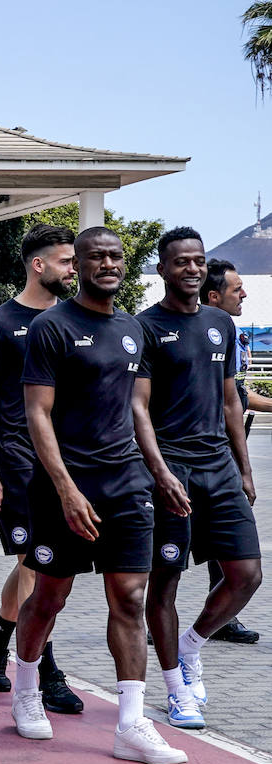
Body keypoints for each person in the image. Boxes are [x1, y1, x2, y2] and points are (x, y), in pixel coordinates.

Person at [12, 225, 185, 764]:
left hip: (126, 483)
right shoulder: (51, 327)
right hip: (65, 484)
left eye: (116, 257)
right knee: (49, 596)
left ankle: (131, 725)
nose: (107, 264)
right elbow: (36, 412)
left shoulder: (135, 330)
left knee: (131, 597)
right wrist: (65, 488)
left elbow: (137, 409)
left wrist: (159, 473)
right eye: (96, 257)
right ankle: (25, 688)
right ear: (77, 266)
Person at [135, 228, 262, 729]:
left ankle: (192, 646)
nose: (191, 268)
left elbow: (232, 399)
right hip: (172, 470)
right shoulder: (144, 327)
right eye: (181, 262)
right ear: (164, 269)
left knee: (246, 575)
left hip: (219, 467)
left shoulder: (219, 324)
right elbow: (137, 407)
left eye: (198, 261)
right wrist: (159, 471)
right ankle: (174, 690)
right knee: (164, 582)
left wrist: (244, 466)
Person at [0, 225, 85, 714]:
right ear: (38, 265)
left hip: (64, 462)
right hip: (16, 461)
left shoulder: (76, 321)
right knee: (36, 566)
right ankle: (44, 671)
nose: (73, 269)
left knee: (41, 566)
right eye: (65, 261)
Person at [200, 259, 265, 644]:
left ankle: (223, 618)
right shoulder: (189, 336)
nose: (244, 293)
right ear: (214, 296)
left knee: (226, 540)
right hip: (191, 454)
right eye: (237, 288)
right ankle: (160, 623)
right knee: (172, 547)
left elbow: (238, 396)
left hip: (225, 450)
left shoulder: (229, 335)